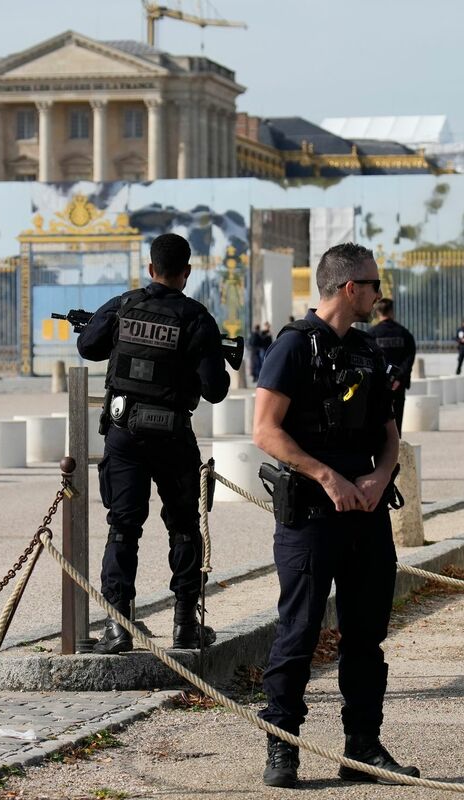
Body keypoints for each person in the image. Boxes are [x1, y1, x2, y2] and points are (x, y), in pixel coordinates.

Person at [253, 242, 420, 788]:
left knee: (366, 637)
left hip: (366, 514)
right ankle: (283, 747)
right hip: (310, 516)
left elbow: (390, 434)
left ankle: (362, 748)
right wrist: (328, 477)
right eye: (373, 284)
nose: (378, 293)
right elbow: (265, 430)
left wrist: (379, 478)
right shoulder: (293, 346)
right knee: (298, 633)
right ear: (351, 288)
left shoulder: (367, 350)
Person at [77, 233, 230, 654]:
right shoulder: (197, 318)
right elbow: (216, 390)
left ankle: (117, 627)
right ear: (187, 272)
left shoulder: (124, 305)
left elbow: (87, 346)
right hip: (173, 437)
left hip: (125, 434)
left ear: (150, 268)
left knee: (123, 529)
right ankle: (185, 625)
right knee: (183, 528)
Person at [370, 298, 416, 436]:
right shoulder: (404, 334)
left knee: (377, 420)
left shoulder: (372, 334)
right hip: (398, 385)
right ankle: (396, 445)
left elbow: (370, 360)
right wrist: (398, 378)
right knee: (397, 419)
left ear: (377, 312)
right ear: (392, 311)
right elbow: (409, 358)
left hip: (378, 385)